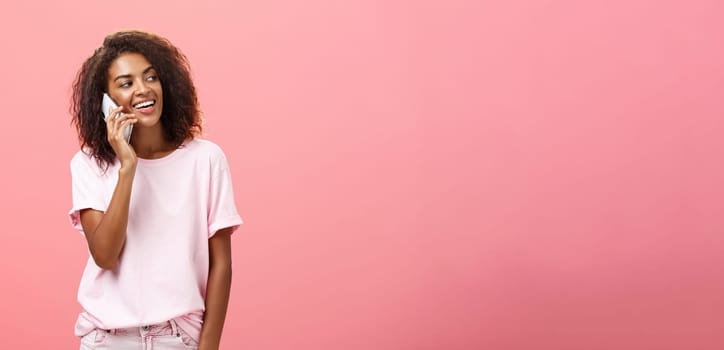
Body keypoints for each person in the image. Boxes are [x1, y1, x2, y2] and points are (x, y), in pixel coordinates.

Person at [68, 30, 242, 350]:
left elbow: (222, 265)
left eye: (151, 77)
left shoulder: (205, 159)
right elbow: (105, 255)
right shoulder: (89, 165)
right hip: (108, 339)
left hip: (179, 337)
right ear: (105, 101)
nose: (143, 89)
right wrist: (128, 168)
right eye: (126, 83)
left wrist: (209, 346)